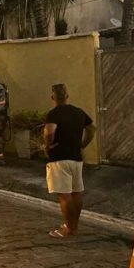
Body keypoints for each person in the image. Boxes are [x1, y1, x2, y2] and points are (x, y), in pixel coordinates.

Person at [43, 84, 96, 238]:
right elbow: (92, 128)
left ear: (53, 97)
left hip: (59, 158)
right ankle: (73, 225)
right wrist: (83, 144)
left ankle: (68, 228)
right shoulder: (78, 112)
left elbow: (49, 131)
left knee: (64, 195)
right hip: (76, 158)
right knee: (76, 192)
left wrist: (47, 146)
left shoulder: (54, 113)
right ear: (67, 96)